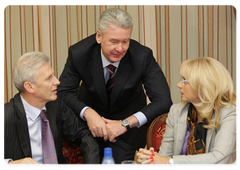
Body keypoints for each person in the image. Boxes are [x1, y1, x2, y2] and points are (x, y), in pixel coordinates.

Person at [57, 8, 172, 164]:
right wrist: (88, 113)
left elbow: (164, 101)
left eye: (125, 41)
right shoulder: (79, 53)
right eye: (114, 41)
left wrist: (126, 123)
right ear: (99, 36)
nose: (120, 48)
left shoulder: (142, 56)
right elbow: (63, 93)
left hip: (127, 132)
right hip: (89, 128)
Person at [2, 52, 99, 165]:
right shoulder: (5, 116)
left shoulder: (55, 105)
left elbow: (83, 134)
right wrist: (10, 164)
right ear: (29, 87)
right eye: (49, 78)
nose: (57, 82)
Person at [136, 57, 237, 165]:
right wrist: (149, 159)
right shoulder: (177, 111)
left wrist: (170, 161)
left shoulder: (229, 113)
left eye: (184, 80)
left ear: (203, 85)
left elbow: (219, 158)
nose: (178, 84)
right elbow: (164, 157)